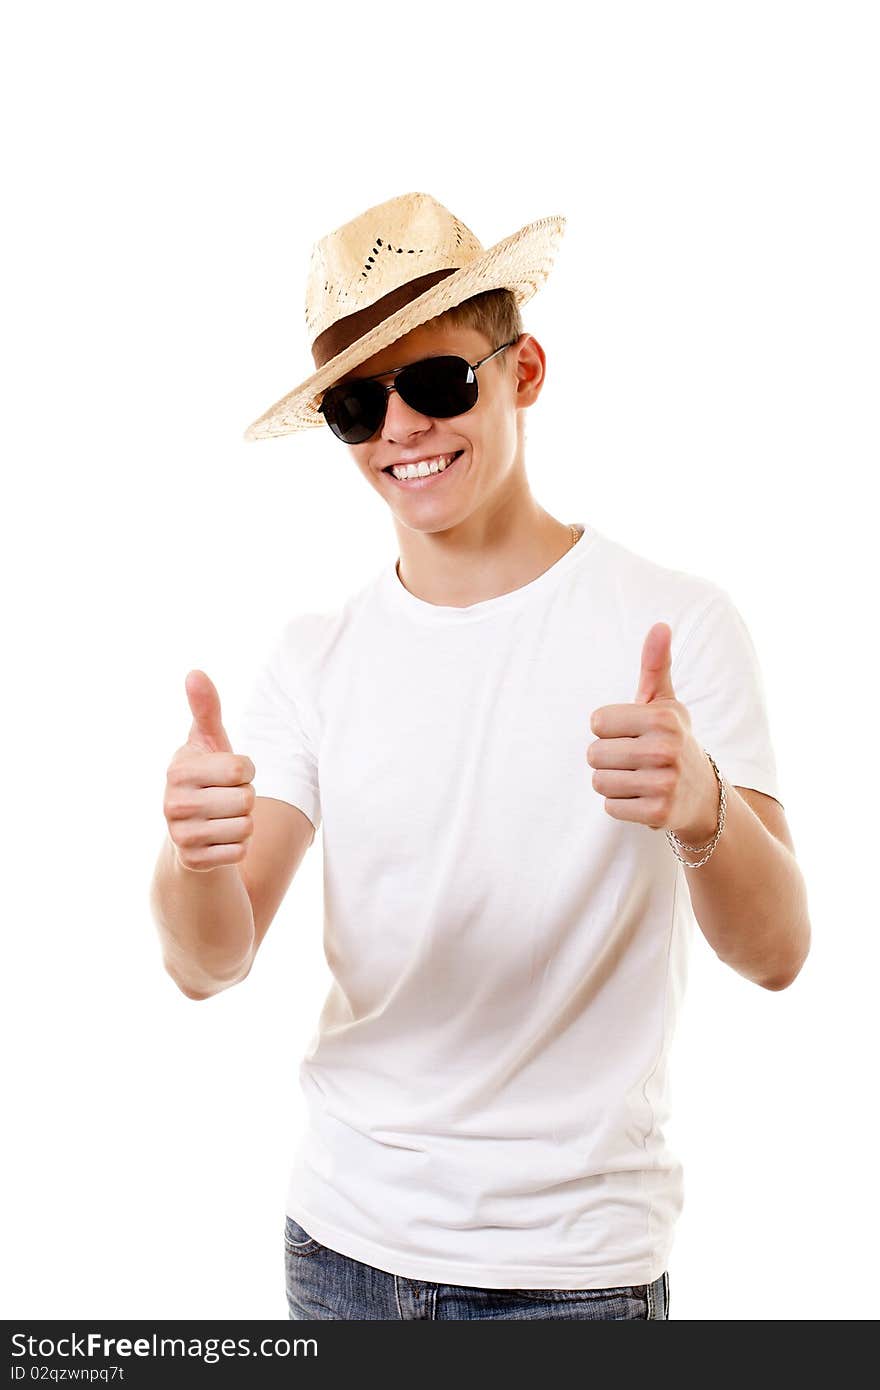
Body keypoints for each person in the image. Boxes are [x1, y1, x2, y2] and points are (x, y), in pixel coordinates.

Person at [149, 191, 811, 1321]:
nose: (401, 425)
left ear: (524, 370)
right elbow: (209, 965)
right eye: (358, 404)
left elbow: (779, 953)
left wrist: (701, 807)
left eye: (438, 381)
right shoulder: (314, 659)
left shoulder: (674, 622)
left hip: (571, 1276)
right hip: (341, 1249)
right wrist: (190, 857)